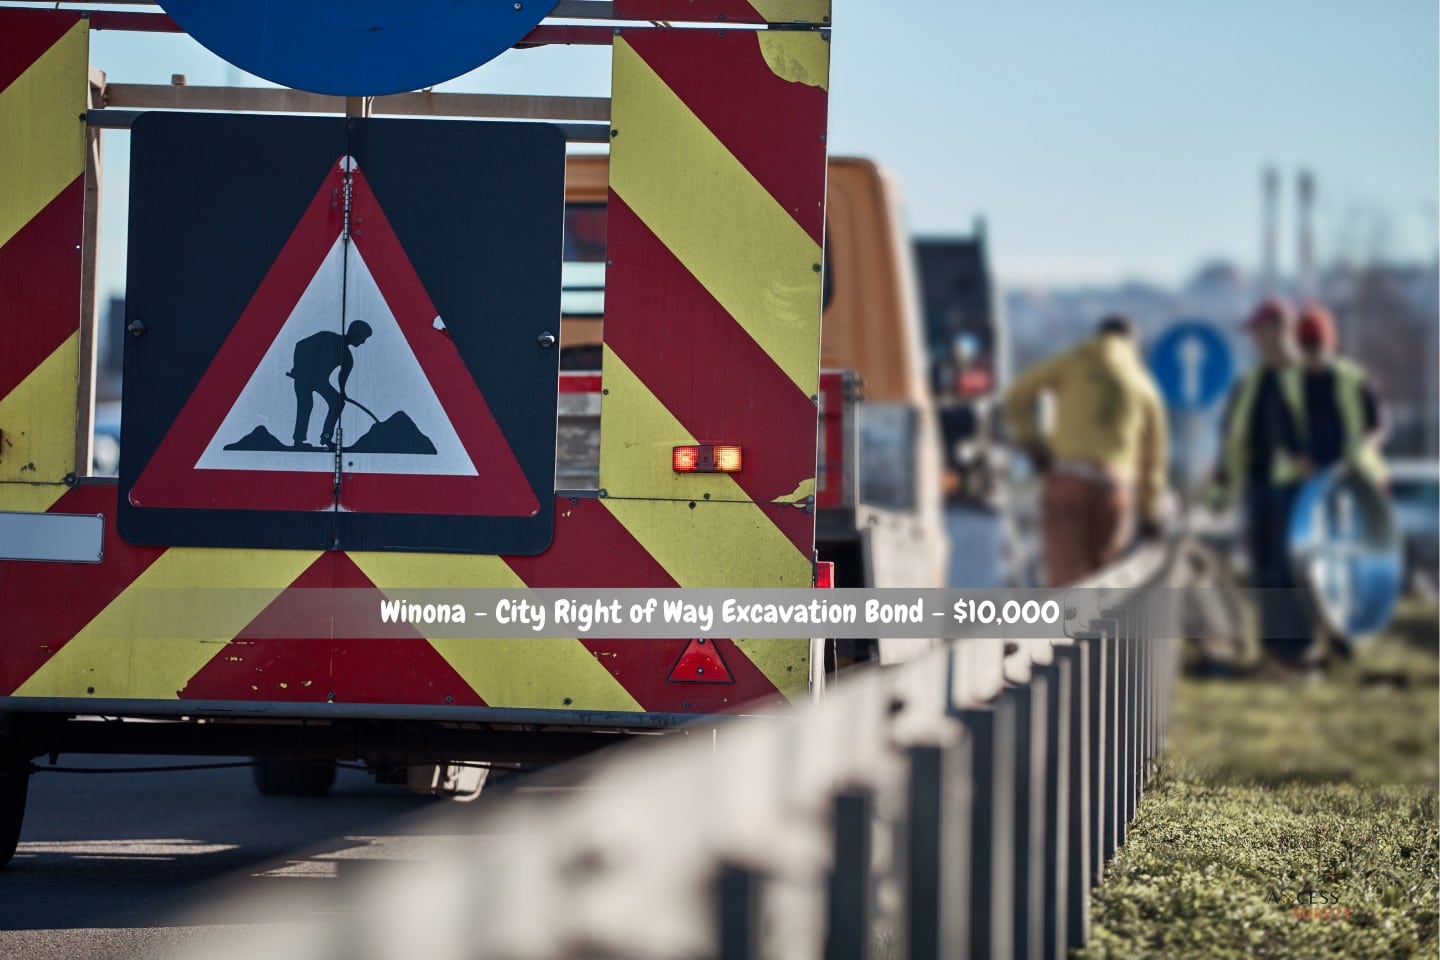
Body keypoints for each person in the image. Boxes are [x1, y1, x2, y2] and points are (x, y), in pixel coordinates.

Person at [1002, 315, 1168, 587]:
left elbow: (1015, 395)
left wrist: (1031, 442)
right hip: (1113, 488)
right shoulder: (1143, 384)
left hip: (1067, 479)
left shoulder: (1072, 361)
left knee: (1065, 582)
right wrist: (1150, 513)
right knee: (1104, 582)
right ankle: (1094, 629)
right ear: (1132, 345)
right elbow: (1153, 461)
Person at [1215, 298, 1310, 665]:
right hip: (1259, 486)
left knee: (1295, 567)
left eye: (1260, 331)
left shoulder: (1311, 378)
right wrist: (1222, 487)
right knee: (1264, 566)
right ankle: (1273, 648)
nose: (1255, 339)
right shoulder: (1251, 382)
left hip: (1301, 490)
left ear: (1280, 330)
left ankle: (1299, 647)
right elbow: (1233, 437)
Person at [1291, 302, 1385, 482]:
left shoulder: (1354, 378)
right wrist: (1297, 456)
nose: (1312, 355)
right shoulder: (1291, 382)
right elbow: (1282, 427)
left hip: (1355, 473)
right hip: (1307, 476)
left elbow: (1379, 425)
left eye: (1316, 347)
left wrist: (1361, 449)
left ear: (1330, 344)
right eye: (1306, 348)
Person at [289, 320, 373, 450]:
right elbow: (300, 345)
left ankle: (326, 438)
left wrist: (343, 392)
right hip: (303, 377)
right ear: (356, 334)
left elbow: (342, 377)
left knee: (338, 403)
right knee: (306, 405)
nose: (363, 342)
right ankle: (298, 441)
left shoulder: (348, 358)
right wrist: (298, 367)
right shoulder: (327, 337)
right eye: (363, 338)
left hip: (321, 381)